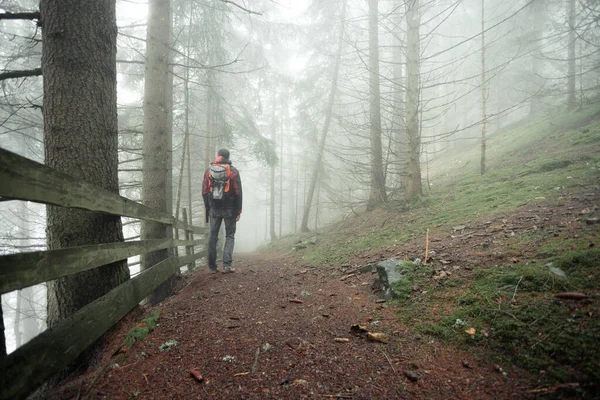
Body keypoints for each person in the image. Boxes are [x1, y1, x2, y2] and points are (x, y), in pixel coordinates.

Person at [202, 148, 242, 273]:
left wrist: (208, 208)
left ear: (218, 156)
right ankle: (227, 265)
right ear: (228, 157)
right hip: (229, 208)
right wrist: (238, 210)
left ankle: (212, 267)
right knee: (229, 235)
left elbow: (204, 192)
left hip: (214, 208)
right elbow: (238, 193)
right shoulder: (233, 171)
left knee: (213, 236)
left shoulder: (209, 171)